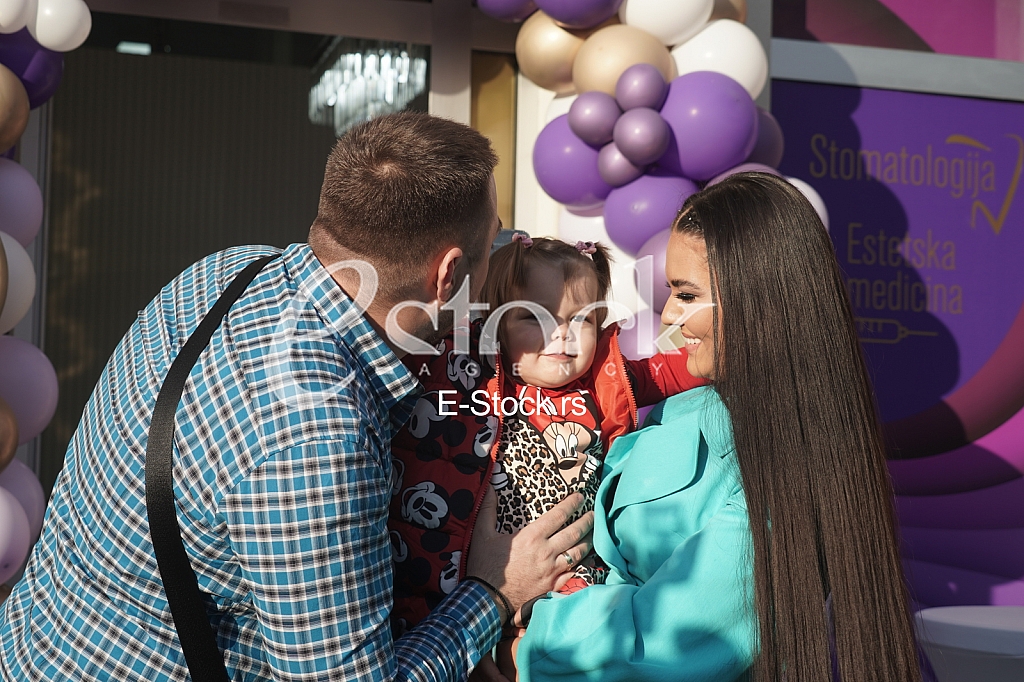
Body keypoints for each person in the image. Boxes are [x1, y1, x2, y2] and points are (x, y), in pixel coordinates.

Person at [0, 112, 594, 681]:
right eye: (495, 245)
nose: (503, 256)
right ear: (447, 275)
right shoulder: (317, 442)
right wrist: (493, 591)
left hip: (37, 647)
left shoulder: (226, 269)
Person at [499, 173, 923, 682]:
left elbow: (669, 638)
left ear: (756, 301)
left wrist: (518, 639)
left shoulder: (785, 467)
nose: (669, 317)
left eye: (685, 294)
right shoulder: (690, 405)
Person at [388, 237, 706, 630]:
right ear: (494, 325)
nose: (562, 333)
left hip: (569, 579)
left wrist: (737, 340)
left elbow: (680, 368)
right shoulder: (464, 375)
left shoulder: (609, 379)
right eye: (534, 317)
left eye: (581, 319)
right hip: (462, 579)